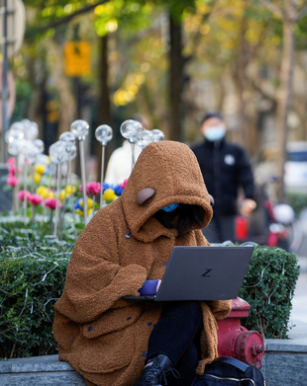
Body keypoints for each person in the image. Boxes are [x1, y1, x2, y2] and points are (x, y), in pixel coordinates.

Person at [53, 141, 231, 386]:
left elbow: (213, 287)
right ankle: (155, 369)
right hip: (122, 326)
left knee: (190, 314)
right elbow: (82, 279)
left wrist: (206, 284)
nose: (172, 205)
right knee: (183, 355)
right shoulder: (109, 221)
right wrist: (142, 285)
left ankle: (153, 371)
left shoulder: (187, 225)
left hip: (169, 326)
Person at [190, 111, 256, 243]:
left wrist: (249, 197)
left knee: (229, 246)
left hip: (228, 210)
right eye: (210, 125)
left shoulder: (235, 151)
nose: (214, 128)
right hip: (202, 211)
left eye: (217, 124)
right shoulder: (194, 151)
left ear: (224, 127)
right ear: (203, 128)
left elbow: (246, 174)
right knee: (207, 247)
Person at [104, 114, 150, 185]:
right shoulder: (117, 154)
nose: (135, 132)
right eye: (132, 129)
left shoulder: (148, 155)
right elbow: (109, 182)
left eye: (140, 129)